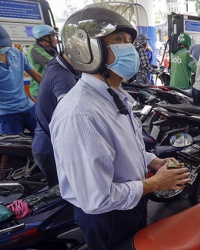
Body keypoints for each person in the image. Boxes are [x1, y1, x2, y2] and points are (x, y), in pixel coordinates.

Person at [49, 6, 191, 250]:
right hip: (108, 217)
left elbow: (122, 149)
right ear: (87, 49)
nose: (129, 48)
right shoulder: (80, 114)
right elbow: (97, 198)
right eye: (118, 40)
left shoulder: (115, 96)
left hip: (131, 202)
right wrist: (156, 184)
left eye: (128, 41)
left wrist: (152, 162)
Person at [31, 34, 81, 187]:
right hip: (50, 150)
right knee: (64, 196)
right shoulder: (62, 75)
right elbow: (73, 116)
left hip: (48, 145)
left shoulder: (61, 64)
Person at [0, 24, 42, 135]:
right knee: (15, 149)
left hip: (29, 107)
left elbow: (37, 76)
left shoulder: (16, 53)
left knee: (46, 140)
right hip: (6, 115)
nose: (2, 49)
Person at [27, 24, 58, 101]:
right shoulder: (35, 49)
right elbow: (54, 64)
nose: (55, 39)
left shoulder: (51, 50)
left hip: (49, 87)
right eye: (53, 36)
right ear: (45, 38)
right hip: (40, 90)